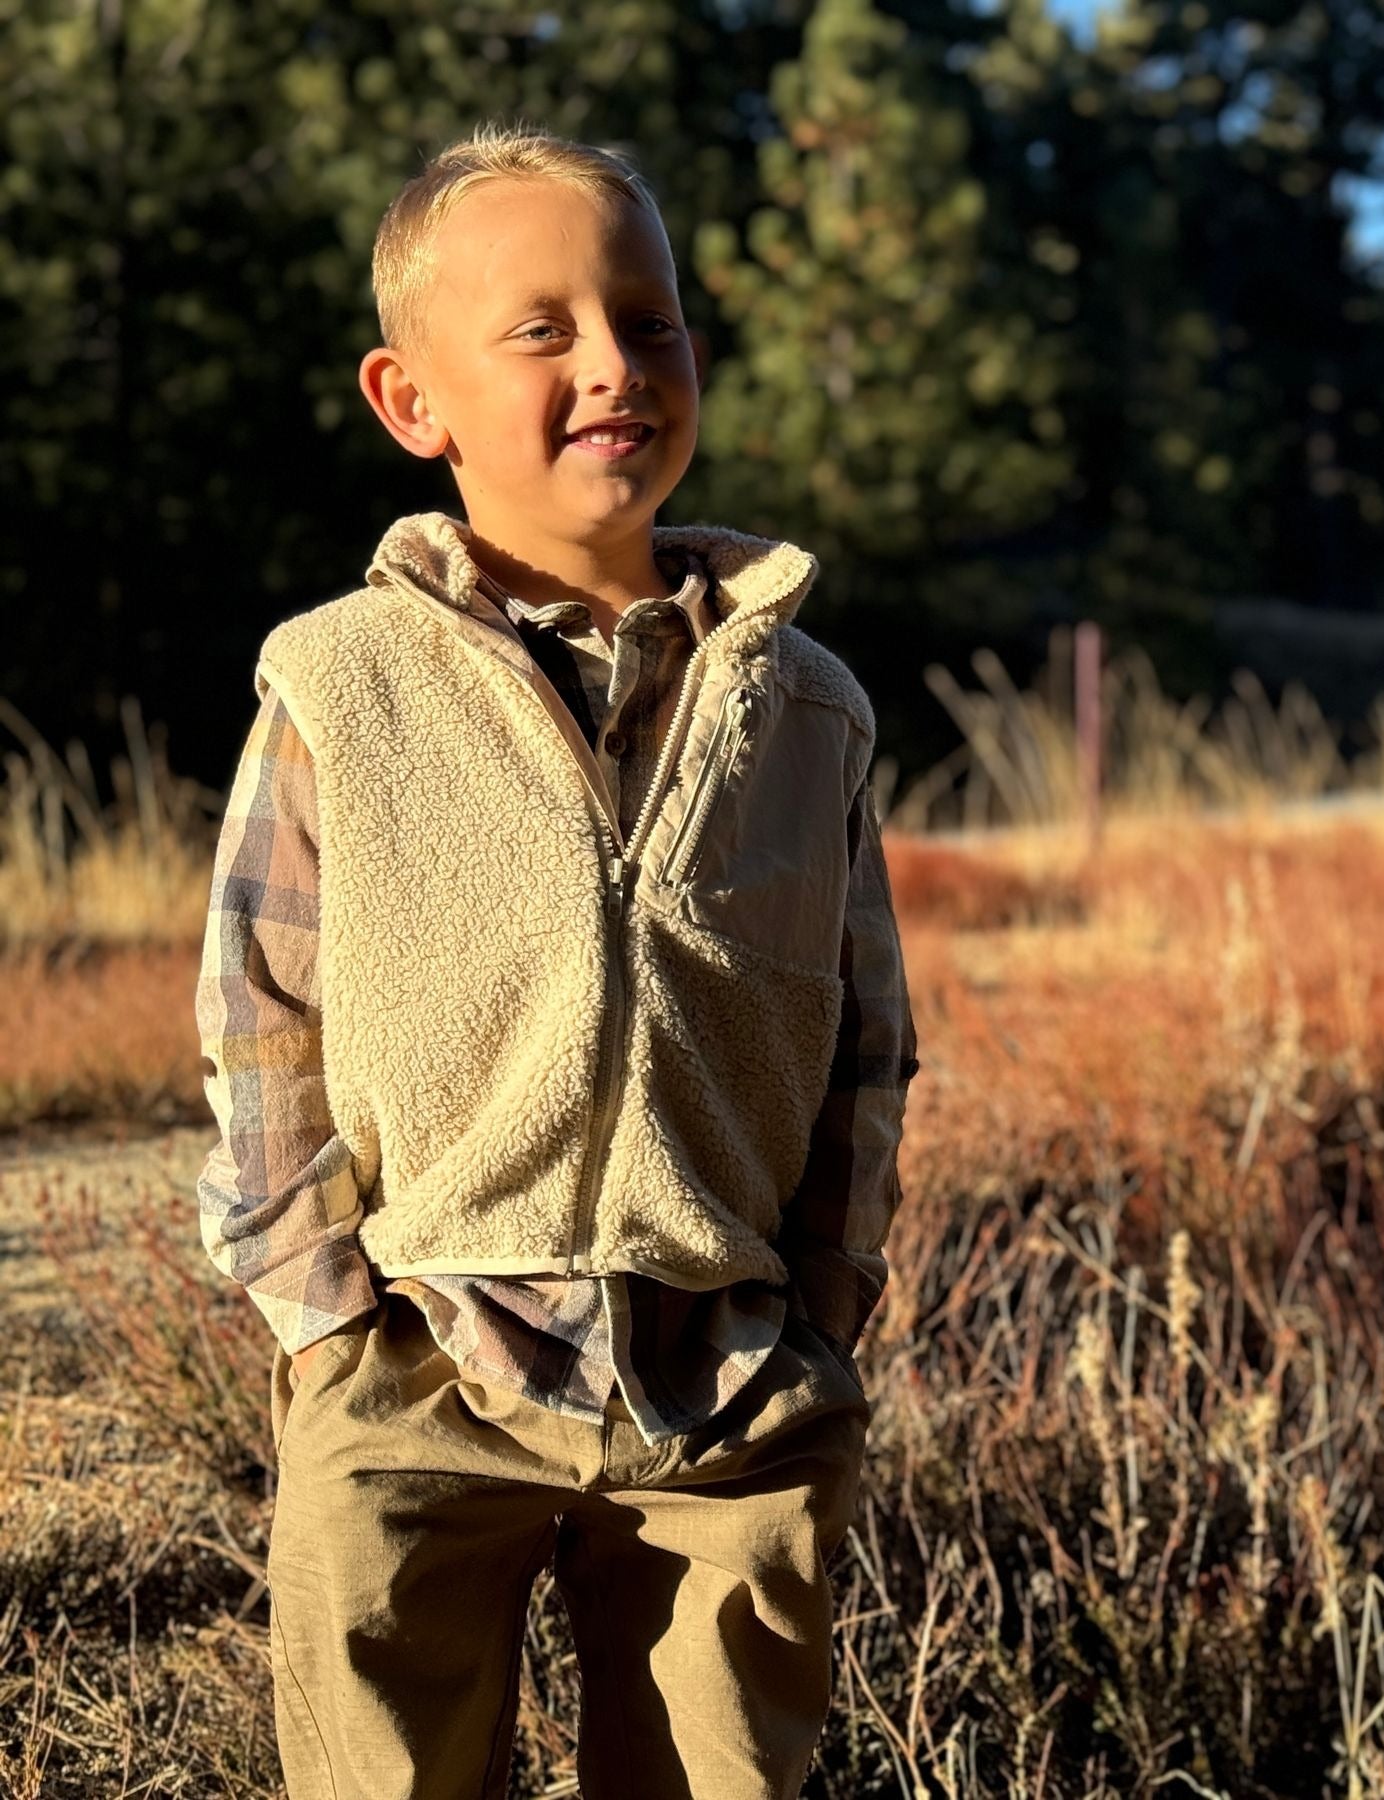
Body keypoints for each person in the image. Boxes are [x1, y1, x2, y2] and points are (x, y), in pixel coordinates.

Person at [190, 117, 920, 1800]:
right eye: (545, 329)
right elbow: (258, 1016)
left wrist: (820, 1308)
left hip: (724, 1382)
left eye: (649, 322)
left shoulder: (807, 707)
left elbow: (866, 1041)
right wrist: (324, 1330)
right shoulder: (340, 686)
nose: (614, 364)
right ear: (412, 401)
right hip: (419, 1362)